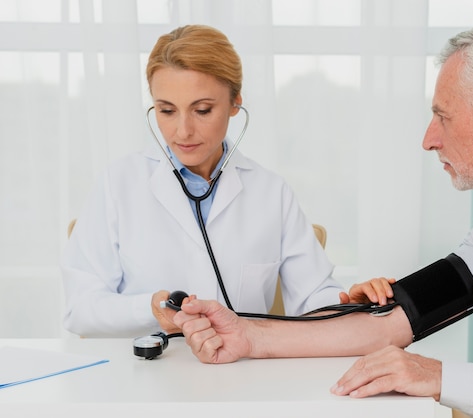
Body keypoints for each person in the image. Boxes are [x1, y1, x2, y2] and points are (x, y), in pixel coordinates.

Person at [169, 21, 473, 417]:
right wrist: (248, 336)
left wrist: (442, 377)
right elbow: (391, 322)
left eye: (442, 118)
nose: (429, 140)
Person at [61, 24, 356, 338]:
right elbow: (80, 309)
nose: (183, 131)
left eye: (202, 110)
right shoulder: (117, 184)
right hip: (145, 375)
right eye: (167, 110)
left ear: (234, 103)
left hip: (241, 377)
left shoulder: (271, 193)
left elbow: (315, 298)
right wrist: (148, 308)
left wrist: (352, 304)